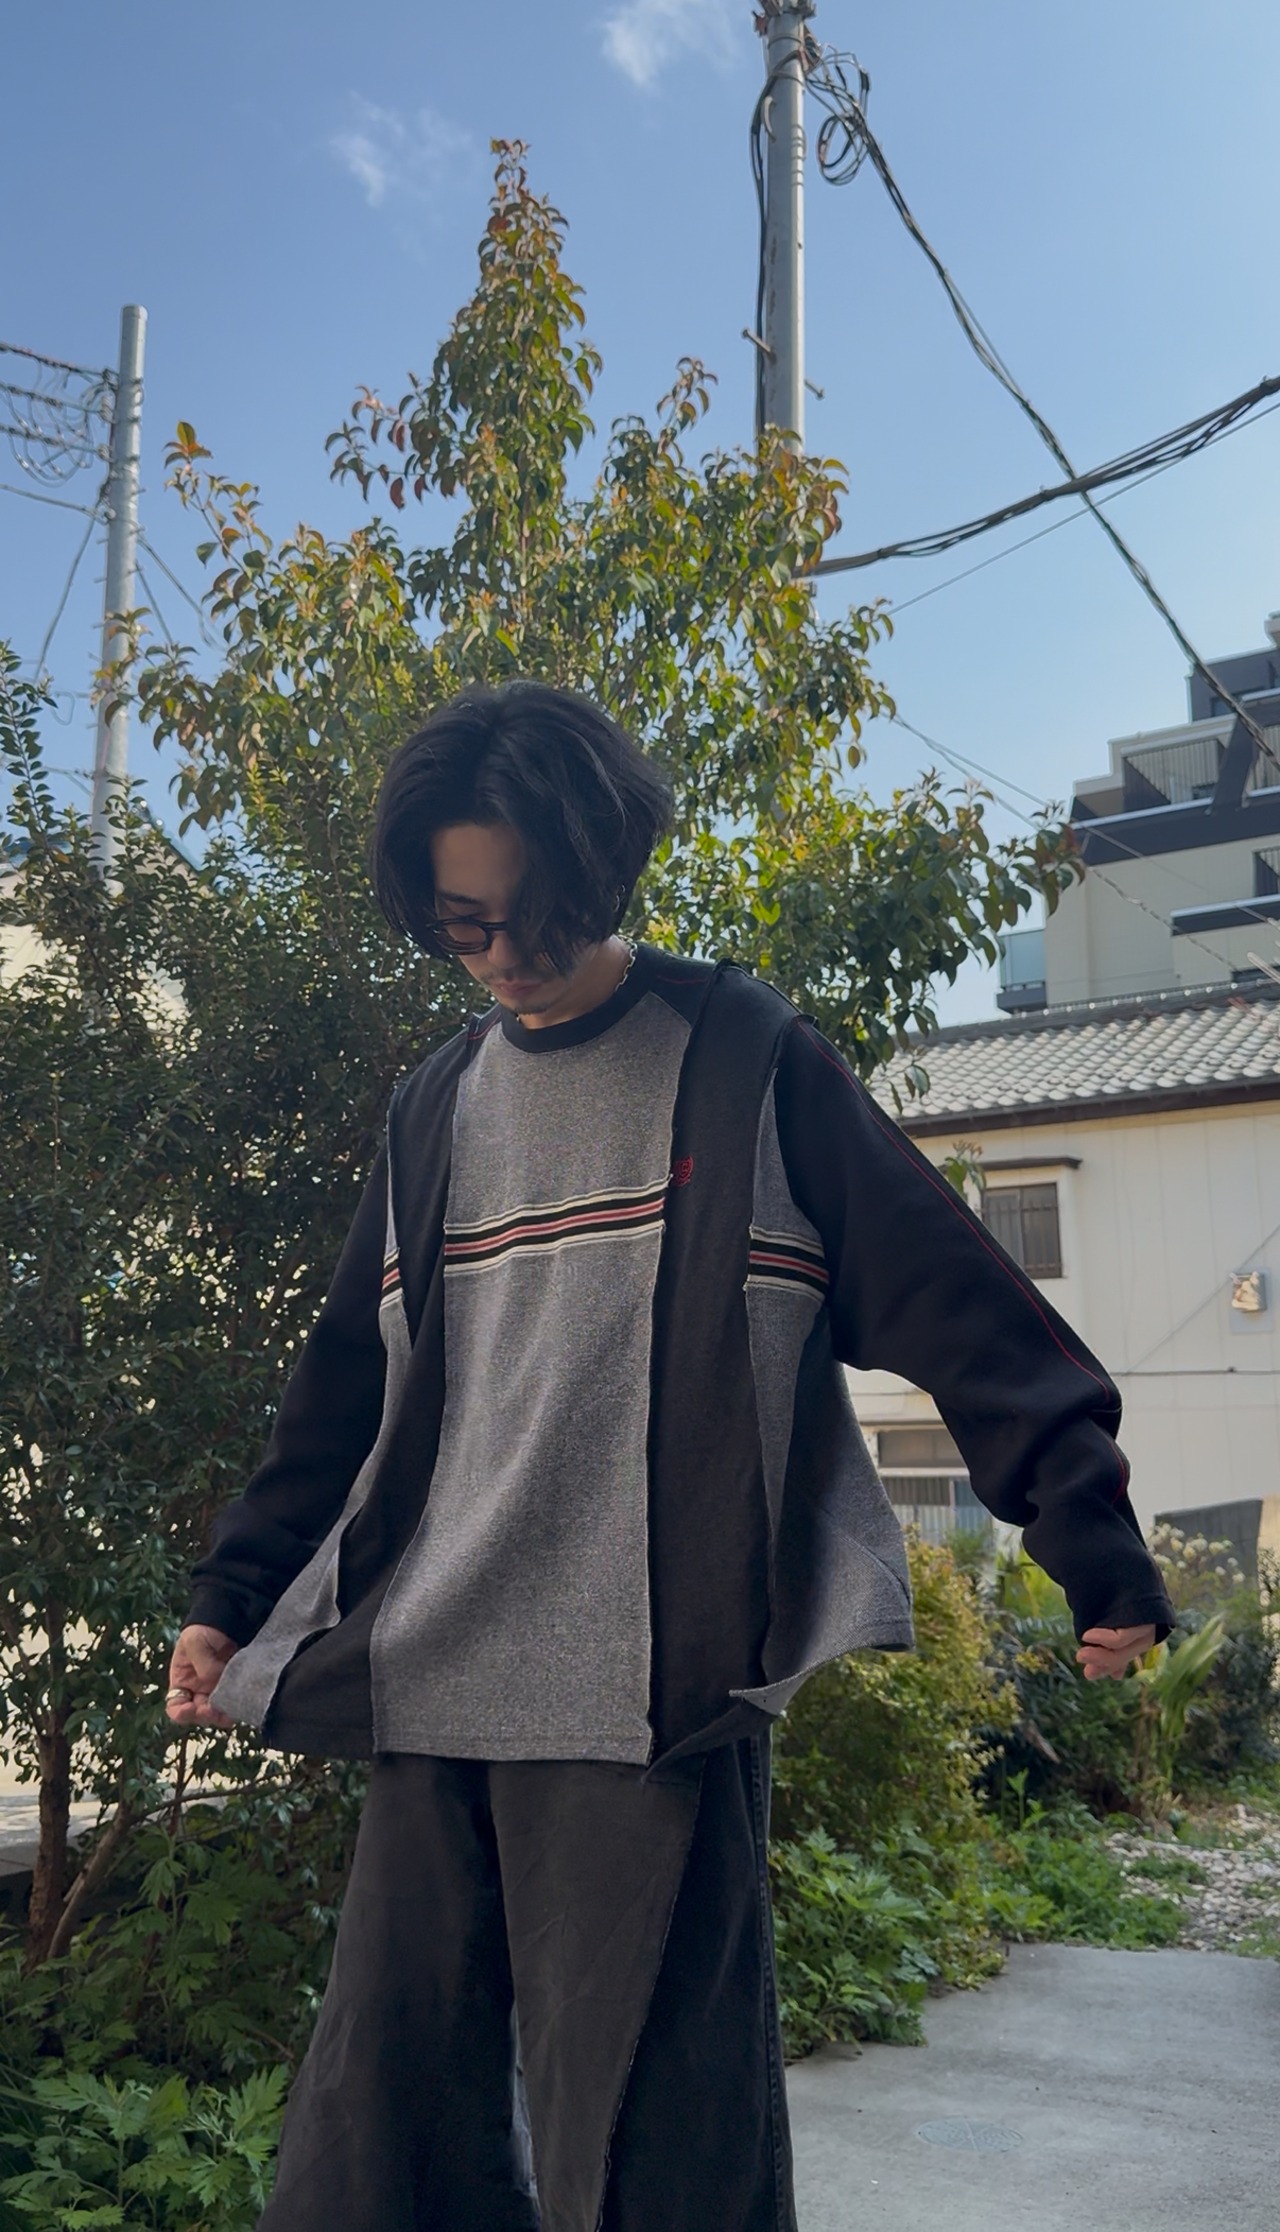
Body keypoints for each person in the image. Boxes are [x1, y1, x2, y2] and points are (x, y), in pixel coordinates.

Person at [167, 681, 1174, 2232]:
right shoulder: (435, 1108)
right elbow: (344, 1391)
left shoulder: (744, 1062)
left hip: (648, 1704)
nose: (503, 959)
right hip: (430, 1673)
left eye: (532, 919)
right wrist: (230, 1599)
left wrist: (1088, 1537)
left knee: (658, 2161)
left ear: (602, 873)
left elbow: (962, 1305)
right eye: (460, 927)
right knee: (380, 2153)